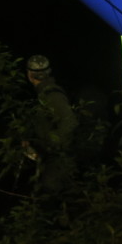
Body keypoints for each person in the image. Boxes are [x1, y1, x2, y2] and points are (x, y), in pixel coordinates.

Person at [25, 53, 78, 194]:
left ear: (29, 75)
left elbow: (70, 121)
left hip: (58, 159)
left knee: (53, 194)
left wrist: (50, 144)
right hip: (51, 157)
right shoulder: (43, 94)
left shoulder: (52, 94)